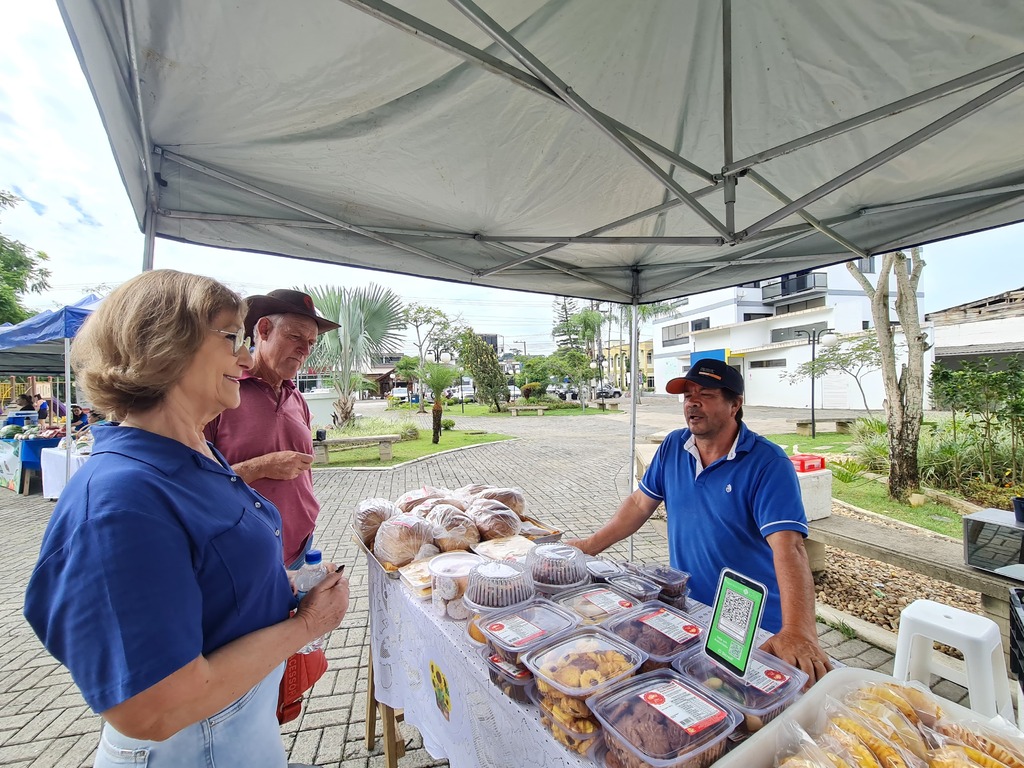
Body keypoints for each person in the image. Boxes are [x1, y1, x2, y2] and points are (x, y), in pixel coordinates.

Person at [23, 270, 349, 768]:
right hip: (193, 746)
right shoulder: (121, 500)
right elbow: (152, 709)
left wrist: (278, 584)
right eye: (229, 338)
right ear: (164, 345)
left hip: (231, 727)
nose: (243, 358)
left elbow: (206, 568)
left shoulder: (189, 454)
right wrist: (309, 625)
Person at [569, 358, 831, 685]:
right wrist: (587, 546)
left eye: (705, 394)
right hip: (688, 606)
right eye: (688, 394)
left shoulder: (768, 464)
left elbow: (790, 547)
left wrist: (797, 630)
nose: (692, 401)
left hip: (751, 620)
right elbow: (639, 503)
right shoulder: (673, 447)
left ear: (735, 404)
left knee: (747, 705)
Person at [204, 289, 339, 569]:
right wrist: (262, 466)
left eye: (311, 342)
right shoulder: (222, 392)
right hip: (244, 552)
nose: (305, 350)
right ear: (264, 330)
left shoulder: (297, 398)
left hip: (302, 542)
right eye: (295, 337)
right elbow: (192, 482)